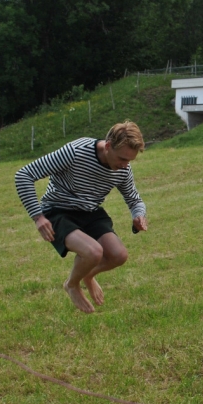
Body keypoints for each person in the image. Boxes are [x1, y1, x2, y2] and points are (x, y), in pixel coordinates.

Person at [15, 121, 147, 313]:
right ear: (108, 145)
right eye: (122, 159)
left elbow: (134, 200)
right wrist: (38, 217)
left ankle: (87, 276)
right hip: (58, 209)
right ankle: (71, 284)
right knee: (93, 252)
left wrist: (139, 215)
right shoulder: (76, 151)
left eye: (130, 161)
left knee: (119, 255)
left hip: (90, 211)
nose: (125, 165)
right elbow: (23, 175)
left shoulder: (123, 170)